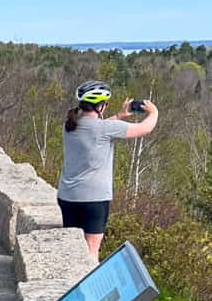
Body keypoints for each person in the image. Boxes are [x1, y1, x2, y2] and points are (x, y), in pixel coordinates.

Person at [57, 80, 159, 262]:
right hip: (94, 200)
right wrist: (154, 113)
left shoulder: (69, 126)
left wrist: (120, 115)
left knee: (72, 247)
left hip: (67, 196)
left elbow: (99, 129)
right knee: (91, 250)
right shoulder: (105, 129)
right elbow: (145, 128)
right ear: (101, 106)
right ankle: (87, 289)